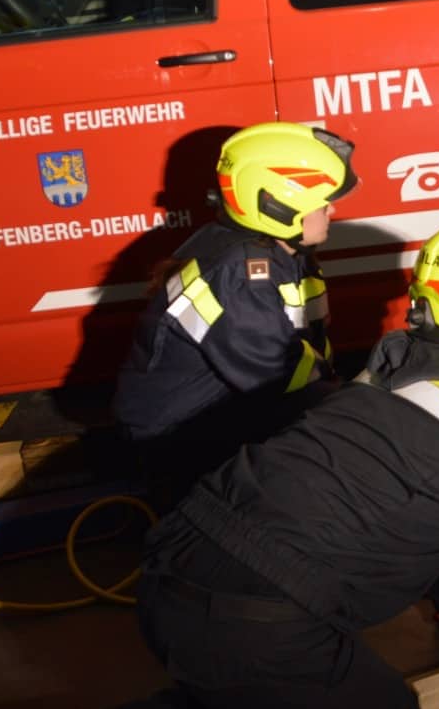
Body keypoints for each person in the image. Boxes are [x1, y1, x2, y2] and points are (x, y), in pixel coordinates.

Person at [125, 215, 439, 709]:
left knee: (243, 689)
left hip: (173, 559)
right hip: (253, 620)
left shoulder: (385, 366)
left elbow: (426, 501)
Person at [111, 121, 358, 496]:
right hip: (179, 439)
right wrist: (359, 405)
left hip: (219, 409)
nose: (332, 209)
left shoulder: (276, 252)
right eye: (322, 202)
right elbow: (277, 380)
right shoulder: (240, 273)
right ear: (276, 206)